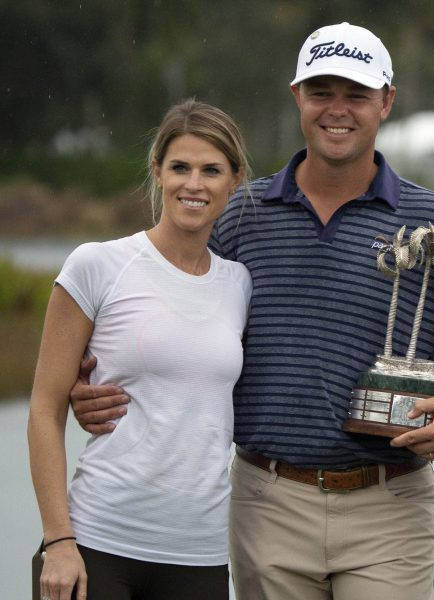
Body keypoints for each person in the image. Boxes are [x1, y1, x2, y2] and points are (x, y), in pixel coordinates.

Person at [68, 22, 434, 599]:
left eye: (356, 94)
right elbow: (173, 325)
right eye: (322, 91)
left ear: (387, 102)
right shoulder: (238, 216)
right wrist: (95, 380)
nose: (338, 110)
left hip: (390, 507)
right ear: (297, 96)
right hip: (267, 501)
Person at [27, 100, 253, 600]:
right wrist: (59, 540)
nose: (194, 184)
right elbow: (44, 409)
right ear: (158, 172)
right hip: (97, 545)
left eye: (211, 170)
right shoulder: (98, 265)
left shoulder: (239, 284)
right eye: (180, 167)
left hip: (200, 555)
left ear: (234, 180)